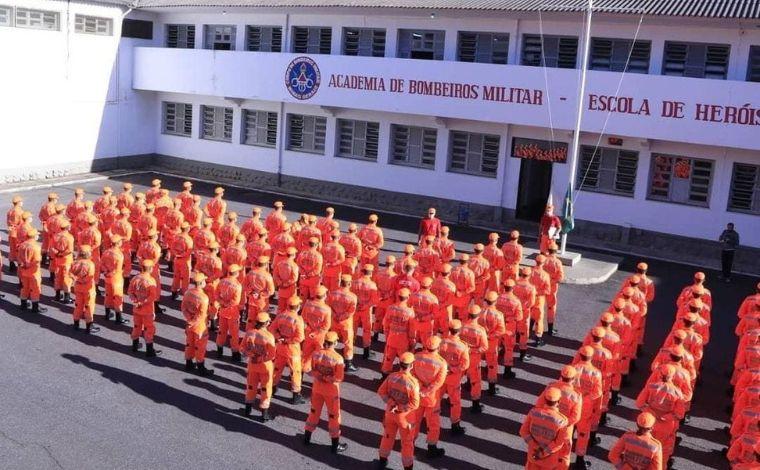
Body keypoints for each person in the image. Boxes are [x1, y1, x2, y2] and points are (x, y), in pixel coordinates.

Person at [303, 331, 348, 454]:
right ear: (335, 343)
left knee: (313, 412)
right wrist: (328, 378)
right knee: (334, 416)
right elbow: (339, 378)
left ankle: (306, 438)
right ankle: (335, 445)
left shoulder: (316, 353)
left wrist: (319, 376)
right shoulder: (338, 358)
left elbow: (310, 369)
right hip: (331, 391)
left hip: (317, 388)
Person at [377, 352, 420, 470]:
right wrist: (401, 408)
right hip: (405, 418)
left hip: (390, 413)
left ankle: (382, 460)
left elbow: (381, 391)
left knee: (387, 436)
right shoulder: (413, 383)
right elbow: (415, 404)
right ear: (411, 365)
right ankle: (407, 467)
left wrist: (391, 403)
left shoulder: (392, 377)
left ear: (399, 364)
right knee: (407, 443)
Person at [519, 387, 572, 469]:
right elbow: (558, 443)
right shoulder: (562, 421)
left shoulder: (534, 413)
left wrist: (534, 446)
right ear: (558, 401)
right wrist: (542, 453)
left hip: (533, 455)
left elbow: (523, 431)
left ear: (545, 399)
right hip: (549, 460)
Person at [412, 335, 447, 458]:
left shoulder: (416, 357)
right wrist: (427, 390)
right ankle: (432, 447)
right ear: (438, 348)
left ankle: (409, 442)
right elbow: (438, 383)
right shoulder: (441, 363)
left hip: (418, 394)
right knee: (433, 423)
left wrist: (421, 387)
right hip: (431, 398)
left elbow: (412, 374)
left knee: (415, 420)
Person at [271, 296, 306, 404]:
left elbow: (272, 329)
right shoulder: (298, 320)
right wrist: (288, 340)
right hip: (292, 350)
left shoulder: (281, 315)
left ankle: (271, 388)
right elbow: (300, 338)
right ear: (298, 307)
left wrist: (279, 337)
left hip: (281, 347)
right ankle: (296, 395)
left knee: (277, 369)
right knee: (295, 372)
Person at [241, 312, 276, 421]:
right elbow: (272, 355)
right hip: (265, 366)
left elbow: (242, 349)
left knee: (251, 386)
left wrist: (252, 356)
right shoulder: (269, 337)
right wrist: (261, 359)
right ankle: (264, 414)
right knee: (265, 388)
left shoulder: (249, 333)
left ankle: (247, 409)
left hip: (252, 364)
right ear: (265, 323)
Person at [439, 319, 470, 436]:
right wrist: (453, 369)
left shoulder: (442, 342)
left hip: (441, 377)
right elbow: (465, 365)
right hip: (454, 379)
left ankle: (428, 418)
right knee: (455, 403)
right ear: (459, 331)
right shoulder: (462, 347)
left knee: (436, 399)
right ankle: (455, 425)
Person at [182, 273, 214, 376]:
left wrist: (189, 320)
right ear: (201, 283)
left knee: (189, 343)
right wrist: (193, 321)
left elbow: (183, 308)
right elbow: (201, 315)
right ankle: (201, 367)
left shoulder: (188, 293)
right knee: (200, 346)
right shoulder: (203, 298)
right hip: (199, 326)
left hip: (189, 323)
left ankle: (188, 363)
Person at [128, 259, 160, 357]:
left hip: (137, 308)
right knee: (148, 328)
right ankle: (149, 350)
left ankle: (134, 345)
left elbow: (130, 292)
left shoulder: (135, 278)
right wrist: (143, 302)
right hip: (147, 310)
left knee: (137, 326)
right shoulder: (151, 281)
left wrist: (136, 301)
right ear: (150, 269)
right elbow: (152, 297)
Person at [381, 288, 416, 377]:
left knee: (388, 359)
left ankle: (384, 375)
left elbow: (385, 323)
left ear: (398, 296)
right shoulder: (409, 312)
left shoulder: (390, 308)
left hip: (391, 338)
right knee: (404, 360)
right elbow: (412, 329)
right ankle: (402, 378)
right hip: (403, 341)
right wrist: (412, 341)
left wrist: (387, 335)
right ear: (408, 297)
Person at [460, 304, 488, 413]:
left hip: (462, 356)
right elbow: (484, 347)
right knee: (476, 381)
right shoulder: (480, 330)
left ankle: (450, 397)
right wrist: (473, 350)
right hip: (474, 358)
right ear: (478, 316)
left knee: (460, 375)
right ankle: (475, 405)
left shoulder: (462, 326)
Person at [328, 274, 359, 371]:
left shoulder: (332, 293)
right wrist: (341, 317)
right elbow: (351, 311)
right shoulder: (352, 297)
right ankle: (348, 363)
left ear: (340, 282)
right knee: (348, 343)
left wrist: (335, 315)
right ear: (349, 284)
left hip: (334, 321)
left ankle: (330, 359)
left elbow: (329, 306)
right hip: (345, 323)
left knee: (332, 339)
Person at [216, 264, 244, 361]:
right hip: (232, 313)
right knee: (234, 334)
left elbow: (217, 295)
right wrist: (227, 304)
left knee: (221, 332)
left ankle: (219, 350)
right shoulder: (237, 285)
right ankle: (235, 353)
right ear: (236, 273)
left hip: (223, 311)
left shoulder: (222, 281)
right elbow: (235, 301)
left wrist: (222, 303)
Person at [353, 264, 379, 359]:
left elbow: (352, 296)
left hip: (355, 309)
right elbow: (374, 301)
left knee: (353, 329)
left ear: (362, 271)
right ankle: (366, 352)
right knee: (366, 330)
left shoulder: (355, 282)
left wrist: (357, 305)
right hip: (366, 311)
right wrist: (365, 306)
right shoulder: (372, 285)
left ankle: (350, 349)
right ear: (371, 273)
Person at [17, 229, 46, 313]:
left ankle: (23, 304)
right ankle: (35, 307)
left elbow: (19, 258)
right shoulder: (36, 247)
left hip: (23, 270)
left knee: (24, 287)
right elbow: (37, 260)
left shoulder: (22, 245)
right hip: (33, 271)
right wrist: (29, 265)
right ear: (34, 236)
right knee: (35, 289)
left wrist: (23, 265)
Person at [243, 256, 275, 331]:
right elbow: (271, 291)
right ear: (266, 264)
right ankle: (261, 334)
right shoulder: (267, 275)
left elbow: (244, 285)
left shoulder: (251, 273)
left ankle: (249, 332)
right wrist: (261, 294)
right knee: (262, 319)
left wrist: (251, 292)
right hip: (262, 302)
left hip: (252, 299)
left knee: (251, 318)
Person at [101, 235, 128, 324]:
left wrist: (106, 272)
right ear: (118, 243)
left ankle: (107, 314)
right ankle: (118, 317)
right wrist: (111, 273)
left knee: (108, 296)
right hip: (116, 279)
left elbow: (102, 264)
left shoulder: (106, 252)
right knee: (118, 297)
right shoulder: (119, 255)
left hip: (108, 278)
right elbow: (117, 269)